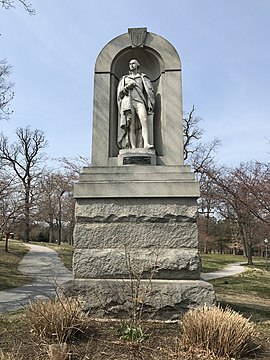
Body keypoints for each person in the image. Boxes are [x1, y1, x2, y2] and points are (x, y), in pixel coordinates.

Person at [117, 59, 155, 149]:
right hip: (128, 104)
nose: (131, 65)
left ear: (138, 65)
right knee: (131, 126)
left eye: (133, 63)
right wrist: (127, 87)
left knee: (144, 121)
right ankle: (133, 147)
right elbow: (119, 94)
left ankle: (146, 143)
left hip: (140, 102)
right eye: (130, 64)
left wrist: (149, 104)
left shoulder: (142, 77)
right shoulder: (125, 79)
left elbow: (149, 92)